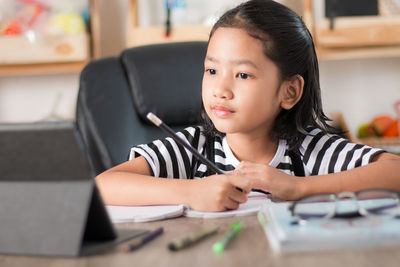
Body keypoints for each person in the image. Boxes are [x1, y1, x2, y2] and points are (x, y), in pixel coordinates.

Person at [96, 0, 400, 212]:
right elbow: (103, 185)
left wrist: (297, 188)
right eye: (212, 71)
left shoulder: (311, 151)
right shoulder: (191, 148)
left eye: (243, 75)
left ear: (289, 91)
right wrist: (191, 192)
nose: (221, 90)